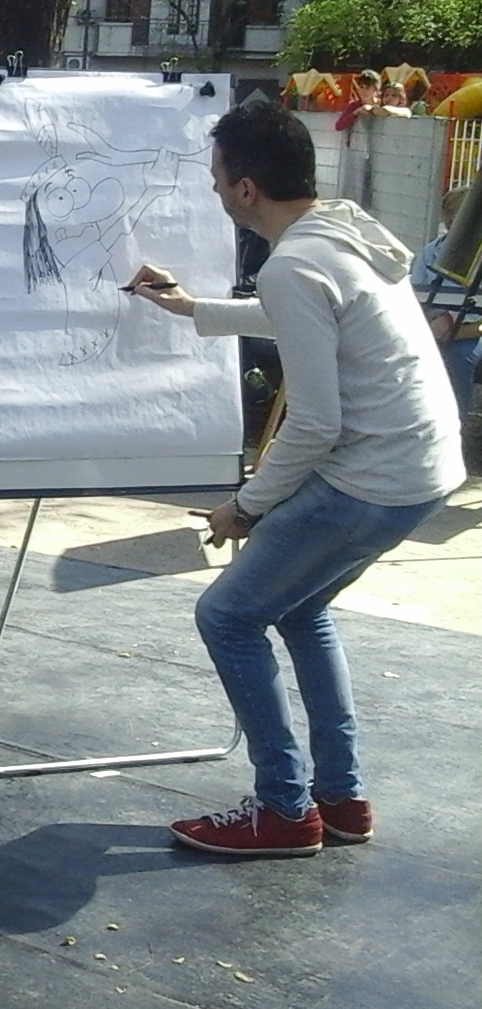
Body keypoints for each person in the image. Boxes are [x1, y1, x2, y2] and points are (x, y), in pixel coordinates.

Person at [128, 103, 463, 857]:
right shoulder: (341, 230)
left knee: (227, 617)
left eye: (217, 178)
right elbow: (312, 320)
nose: (214, 190)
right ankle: (341, 799)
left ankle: (284, 808)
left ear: (246, 189)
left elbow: (314, 423)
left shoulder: (294, 265)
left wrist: (246, 507)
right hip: (423, 469)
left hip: (371, 478)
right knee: (302, 610)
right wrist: (193, 309)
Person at [412, 185, 478, 422]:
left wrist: (449, 321)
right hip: (435, 326)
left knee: (459, 357)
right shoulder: (430, 251)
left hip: (475, 328)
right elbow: (417, 293)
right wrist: (434, 321)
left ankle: (456, 421)